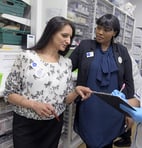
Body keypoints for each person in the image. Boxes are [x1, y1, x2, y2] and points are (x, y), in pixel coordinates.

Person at [3, 16, 92, 148]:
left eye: (70, 37)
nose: (68, 41)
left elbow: (65, 100)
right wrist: (33, 105)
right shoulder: (26, 58)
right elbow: (9, 94)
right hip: (27, 125)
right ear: (51, 32)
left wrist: (76, 91)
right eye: (64, 35)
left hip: (53, 125)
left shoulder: (66, 63)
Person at [69, 14, 134, 148]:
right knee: (90, 141)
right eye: (98, 28)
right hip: (89, 106)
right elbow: (67, 67)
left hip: (112, 108)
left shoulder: (121, 51)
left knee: (108, 141)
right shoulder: (85, 46)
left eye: (106, 29)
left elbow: (129, 81)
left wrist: (129, 111)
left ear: (114, 32)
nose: (100, 32)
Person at [113, 57, 142, 147]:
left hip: (132, 89)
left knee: (127, 115)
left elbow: (130, 80)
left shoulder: (126, 58)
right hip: (131, 89)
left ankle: (126, 138)